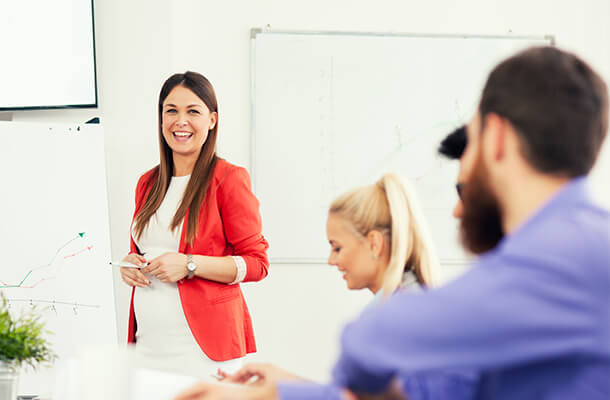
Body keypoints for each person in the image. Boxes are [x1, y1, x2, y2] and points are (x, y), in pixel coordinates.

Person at [179, 46, 610, 399]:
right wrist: (280, 393)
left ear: (496, 137)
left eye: (469, 142)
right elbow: (436, 391)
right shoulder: (564, 257)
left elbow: (369, 341)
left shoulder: (571, 254)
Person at [219, 172, 442, 384]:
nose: (331, 261)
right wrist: (280, 382)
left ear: (374, 244)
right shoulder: (404, 302)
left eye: (337, 248)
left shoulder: (397, 317)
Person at [120, 71, 269, 378]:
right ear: (161, 119)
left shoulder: (228, 179)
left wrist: (189, 264)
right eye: (171, 110)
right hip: (148, 346)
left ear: (212, 120)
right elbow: (146, 250)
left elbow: (257, 264)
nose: (180, 121)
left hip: (203, 352)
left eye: (193, 111)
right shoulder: (147, 183)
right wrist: (130, 265)